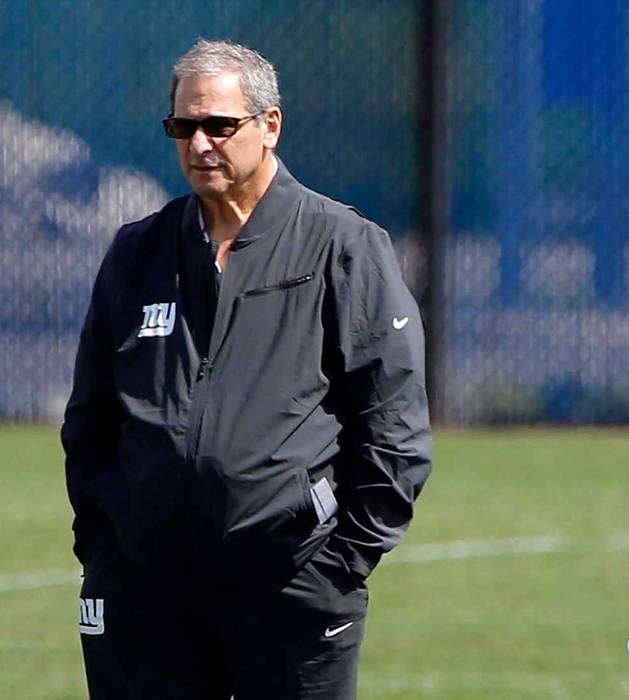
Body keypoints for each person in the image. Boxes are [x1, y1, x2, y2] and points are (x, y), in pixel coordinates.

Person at [61, 39, 432, 699]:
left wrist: (338, 564)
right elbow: (91, 418)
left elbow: (392, 422)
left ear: (269, 125)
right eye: (183, 126)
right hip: (145, 589)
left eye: (219, 125)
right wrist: (106, 547)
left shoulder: (342, 244)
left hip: (291, 585)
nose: (200, 143)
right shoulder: (137, 250)